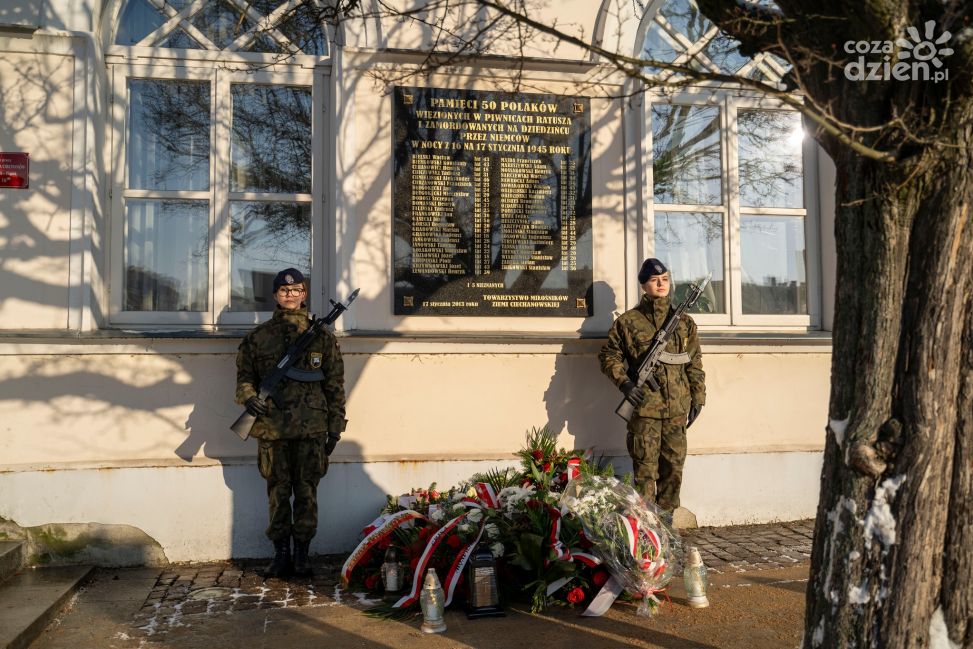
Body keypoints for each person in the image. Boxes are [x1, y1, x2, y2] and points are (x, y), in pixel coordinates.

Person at [235, 268, 347, 579]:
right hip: (272, 428)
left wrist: (335, 427)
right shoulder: (257, 339)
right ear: (275, 295)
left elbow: (335, 385)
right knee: (278, 492)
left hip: (311, 429)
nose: (290, 295)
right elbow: (244, 378)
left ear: (304, 294)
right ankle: (280, 554)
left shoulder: (321, 338)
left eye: (296, 290)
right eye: (284, 291)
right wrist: (248, 398)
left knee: (307, 493)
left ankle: (302, 555)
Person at [599, 258, 705, 513]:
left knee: (674, 472)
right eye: (654, 280)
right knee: (645, 474)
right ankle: (646, 532)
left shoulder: (684, 323)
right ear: (644, 285)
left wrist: (698, 397)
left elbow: (694, 362)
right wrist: (625, 384)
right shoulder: (628, 322)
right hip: (645, 411)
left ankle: (667, 528)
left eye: (665, 279)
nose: (661, 284)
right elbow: (608, 356)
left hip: (677, 411)